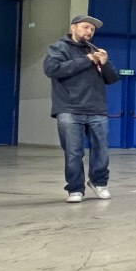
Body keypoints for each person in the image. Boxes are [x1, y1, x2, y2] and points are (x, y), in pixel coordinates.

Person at [44, 14, 120, 203]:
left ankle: (99, 182)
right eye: (86, 27)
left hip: (97, 110)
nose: (90, 31)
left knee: (101, 150)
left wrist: (105, 62)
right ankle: (75, 189)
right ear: (74, 28)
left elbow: (112, 79)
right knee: (73, 152)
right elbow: (52, 70)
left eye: (92, 29)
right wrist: (87, 60)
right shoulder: (58, 48)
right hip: (69, 109)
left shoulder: (96, 51)